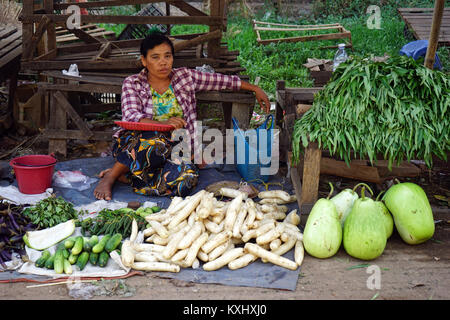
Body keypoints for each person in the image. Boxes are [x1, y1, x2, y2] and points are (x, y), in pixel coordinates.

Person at [93, 31, 271, 201]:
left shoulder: (184, 77)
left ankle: (132, 175)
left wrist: (254, 88)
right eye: (155, 57)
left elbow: (220, 81)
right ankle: (110, 177)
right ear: (144, 61)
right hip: (138, 144)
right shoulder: (133, 83)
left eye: (167, 56)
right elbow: (131, 117)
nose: (163, 62)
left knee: (185, 182)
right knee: (156, 142)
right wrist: (164, 124)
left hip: (177, 150)